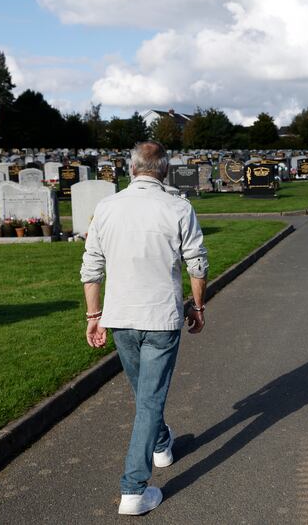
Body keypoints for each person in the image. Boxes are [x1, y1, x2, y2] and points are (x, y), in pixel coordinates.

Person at [80, 141, 208, 515]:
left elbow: (92, 266)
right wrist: (198, 307)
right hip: (159, 318)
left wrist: (93, 316)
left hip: (122, 317)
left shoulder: (106, 208)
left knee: (145, 395)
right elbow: (197, 264)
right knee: (148, 397)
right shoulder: (178, 207)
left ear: (132, 169)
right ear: (164, 170)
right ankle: (134, 489)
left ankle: (162, 443)